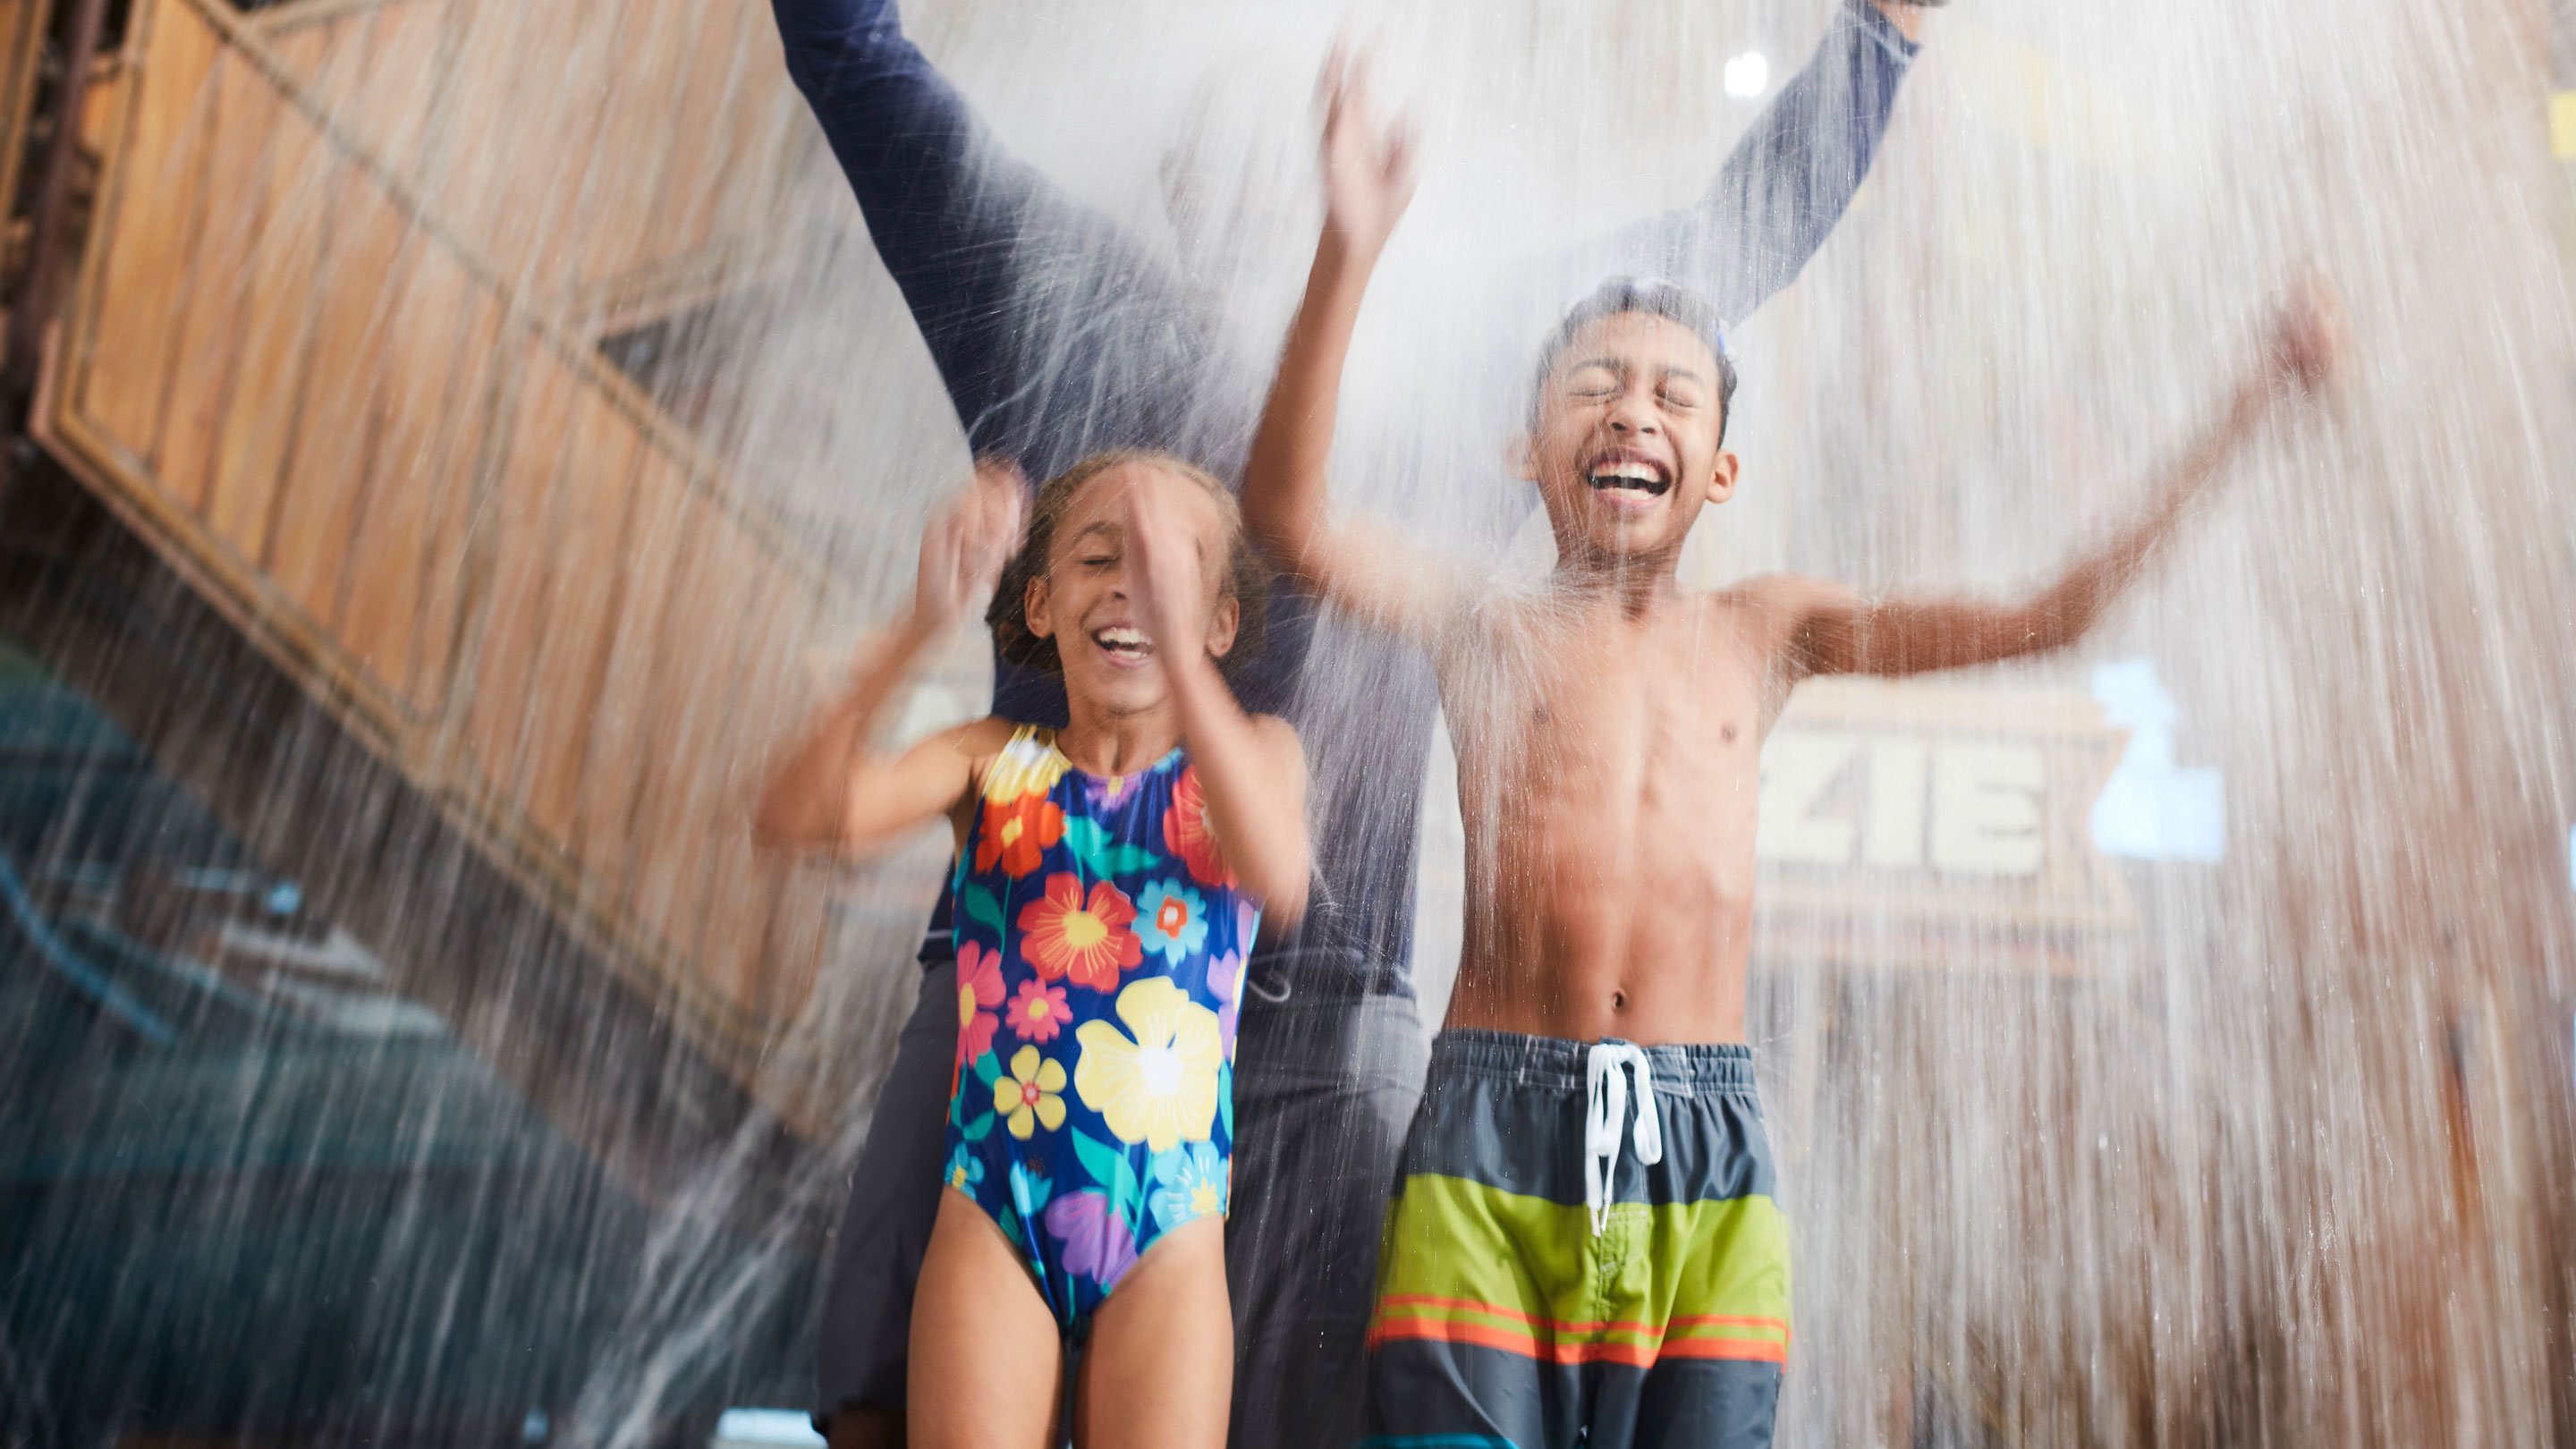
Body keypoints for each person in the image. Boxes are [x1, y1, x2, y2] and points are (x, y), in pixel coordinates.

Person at [762, 2, 1937, 1445]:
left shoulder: (1466, 381)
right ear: (1183, 192)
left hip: (1317, 1011)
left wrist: (1882, 34)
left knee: (1322, 1419)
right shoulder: (1052, 295)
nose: (1284, 179)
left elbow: (1730, 237)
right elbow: (861, 69)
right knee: (883, 1405)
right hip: (1029, 977)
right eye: (1244, 154)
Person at [1240, 64, 2349, 1449]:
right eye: (1596, 386)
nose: (1634, 409)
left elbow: (2051, 615)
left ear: (1721, 472)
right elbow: (1287, 518)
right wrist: (1346, 255)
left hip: (1705, 1153)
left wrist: (2244, 406)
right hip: (1489, 1128)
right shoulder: (1484, 626)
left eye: (1674, 395)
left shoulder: (1770, 631)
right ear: (1526, 451)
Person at [756, 452, 1309, 1448]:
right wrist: (922, 623)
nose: (1130, 585)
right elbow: (799, 817)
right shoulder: (987, 761)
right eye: (1101, 559)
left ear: (1220, 622)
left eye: (1167, 570)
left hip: (1170, 1239)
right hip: (993, 1221)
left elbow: (1279, 874)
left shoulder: (1258, 756)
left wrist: (1181, 661)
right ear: (1043, 604)